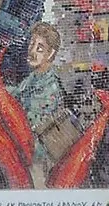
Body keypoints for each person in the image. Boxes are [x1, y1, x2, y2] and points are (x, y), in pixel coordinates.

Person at [7, 23, 78, 186]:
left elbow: (30, 123)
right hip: (26, 155)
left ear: (51, 53)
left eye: (40, 48)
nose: (32, 51)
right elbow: (15, 94)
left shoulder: (50, 86)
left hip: (39, 160)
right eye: (32, 44)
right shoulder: (33, 78)